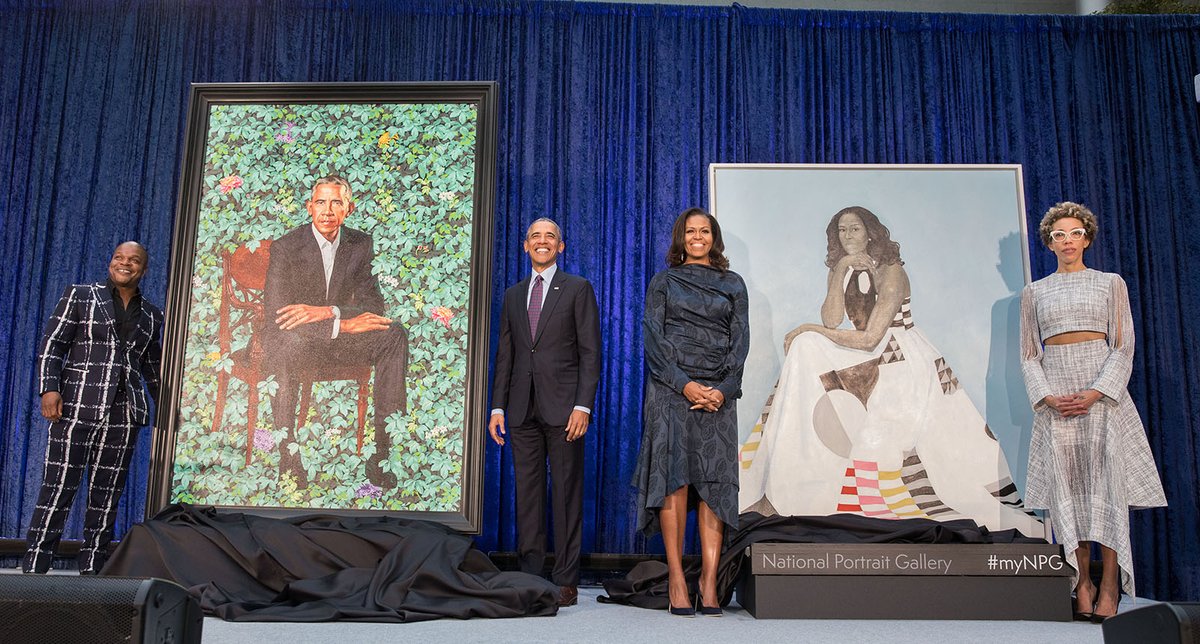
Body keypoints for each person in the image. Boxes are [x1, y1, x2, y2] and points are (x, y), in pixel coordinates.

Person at [738, 206, 1041, 536]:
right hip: (862, 355)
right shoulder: (843, 268)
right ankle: (788, 480)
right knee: (804, 348)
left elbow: (871, 338)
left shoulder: (890, 270)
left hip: (899, 359)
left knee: (808, 340)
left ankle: (818, 482)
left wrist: (808, 328)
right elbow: (832, 320)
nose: (848, 235)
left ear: (870, 232)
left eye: (854, 228)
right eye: (841, 230)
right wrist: (839, 271)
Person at [1019, 202, 1165, 621]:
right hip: (1056, 395)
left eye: (1075, 233)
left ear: (1087, 237)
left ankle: (1110, 586)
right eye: (1059, 234)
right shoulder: (1035, 291)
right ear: (1049, 242)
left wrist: (1098, 391)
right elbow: (1029, 354)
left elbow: (1123, 344)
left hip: (1100, 394)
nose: (1068, 241)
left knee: (1107, 491)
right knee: (1069, 493)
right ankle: (1080, 582)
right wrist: (1046, 396)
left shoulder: (1109, 283)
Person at [634, 208, 749, 617]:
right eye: (690, 231)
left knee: (716, 484)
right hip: (671, 392)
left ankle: (709, 581)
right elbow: (653, 339)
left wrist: (721, 390)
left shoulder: (733, 284)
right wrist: (685, 384)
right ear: (680, 238)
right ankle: (678, 580)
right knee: (674, 481)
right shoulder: (664, 281)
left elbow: (740, 343)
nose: (697, 237)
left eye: (704, 231)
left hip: (718, 394)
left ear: (713, 238)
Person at [23, 241, 163, 574]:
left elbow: (153, 368)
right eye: (119, 258)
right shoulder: (81, 295)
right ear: (111, 263)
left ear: (143, 270)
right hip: (74, 407)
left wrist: (173, 409)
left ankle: (92, 573)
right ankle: (33, 572)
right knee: (58, 489)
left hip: (124, 415)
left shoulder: (152, 315)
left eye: (133, 261)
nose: (124, 264)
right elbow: (53, 345)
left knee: (106, 497)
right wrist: (49, 389)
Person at [263, 175, 408, 489]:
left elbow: (373, 305)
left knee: (394, 334)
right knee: (287, 342)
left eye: (336, 202)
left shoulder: (360, 244)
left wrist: (330, 312)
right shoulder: (286, 247)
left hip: (336, 340)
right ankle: (289, 461)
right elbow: (278, 315)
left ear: (349, 209)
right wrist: (341, 324)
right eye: (320, 202)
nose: (328, 210)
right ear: (309, 207)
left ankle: (380, 455)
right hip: (296, 341)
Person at [489, 218, 601, 608]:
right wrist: (498, 406)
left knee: (567, 496)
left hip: (565, 409)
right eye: (535, 236)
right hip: (520, 409)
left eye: (549, 236)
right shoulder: (513, 294)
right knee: (528, 496)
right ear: (525, 246)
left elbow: (590, 353)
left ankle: (566, 579)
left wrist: (582, 405)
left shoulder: (578, 289)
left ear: (561, 246)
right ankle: (530, 576)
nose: (542, 241)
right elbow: (507, 355)